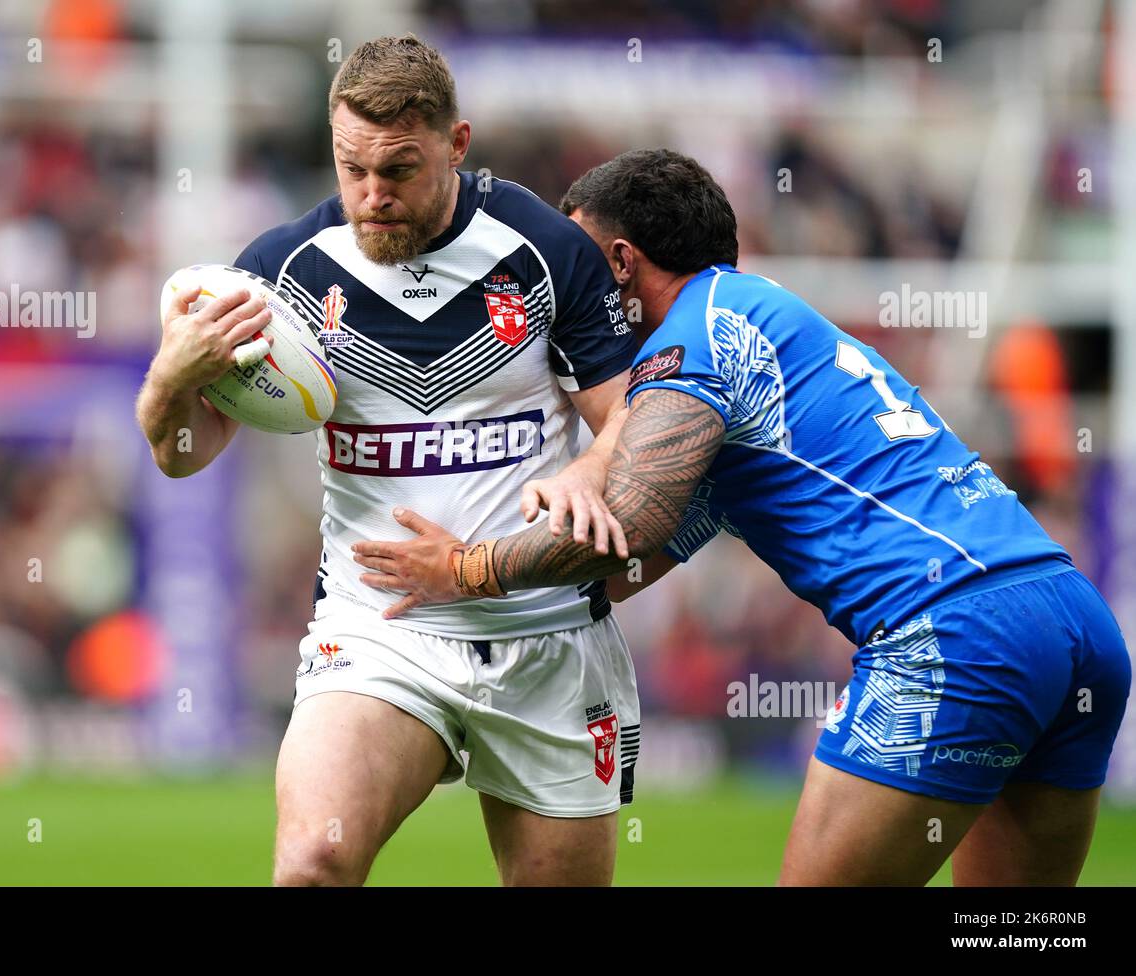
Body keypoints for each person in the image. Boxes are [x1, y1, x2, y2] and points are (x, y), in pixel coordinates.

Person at [350, 148, 1133, 886]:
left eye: (582, 262)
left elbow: (631, 516)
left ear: (621, 262)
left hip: (955, 636)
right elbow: (626, 564)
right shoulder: (772, 322)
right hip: (1071, 621)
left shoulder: (694, 340)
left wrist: (464, 570)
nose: (571, 289)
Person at [135, 35, 641, 886]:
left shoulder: (544, 249)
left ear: (457, 144)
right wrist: (169, 378)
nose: (372, 197)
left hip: (545, 632)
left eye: (399, 170)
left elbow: (631, 417)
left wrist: (591, 470)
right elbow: (182, 456)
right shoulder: (282, 274)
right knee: (314, 862)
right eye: (351, 168)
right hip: (379, 634)